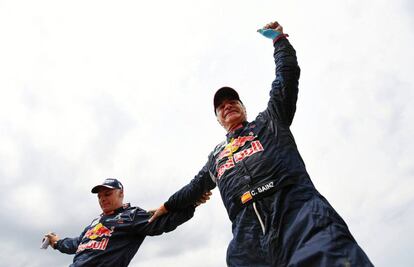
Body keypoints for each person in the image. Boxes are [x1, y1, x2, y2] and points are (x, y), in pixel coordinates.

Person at [149, 21, 373, 266]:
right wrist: (167, 206)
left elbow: (286, 77)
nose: (227, 106)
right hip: (247, 236)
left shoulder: (271, 120)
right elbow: (194, 188)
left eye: (233, 101)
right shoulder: (216, 158)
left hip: (298, 212)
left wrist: (279, 41)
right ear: (218, 119)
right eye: (221, 106)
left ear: (244, 108)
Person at [44, 178, 209, 267]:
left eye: (107, 194)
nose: (102, 199)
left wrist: (191, 203)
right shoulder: (95, 223)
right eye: (99, 196)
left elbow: (165, 222)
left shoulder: (132, 216)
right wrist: (57, 242)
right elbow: (76, 244)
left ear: (121, 193)